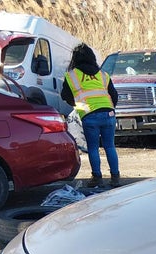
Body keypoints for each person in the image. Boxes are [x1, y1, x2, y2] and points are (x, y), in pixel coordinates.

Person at [61, 43, 120, 188]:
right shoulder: (103, 75)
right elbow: (114, 95)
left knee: (93, 148)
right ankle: (115, 177)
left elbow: (65, 96)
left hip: (90, 115)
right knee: (110, 146)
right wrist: (110, 109)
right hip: (109, 113)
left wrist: (79, 106)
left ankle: (97, 178)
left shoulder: (72, 75)